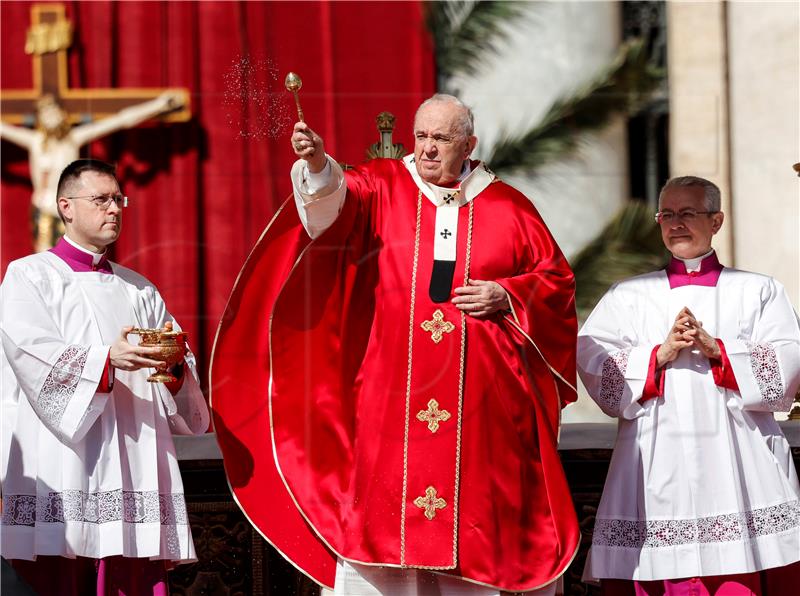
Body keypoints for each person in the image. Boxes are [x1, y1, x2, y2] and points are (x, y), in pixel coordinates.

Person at [211, 94, 580, 594]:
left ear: (469, 144)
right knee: (380, 531)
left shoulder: (508, 206)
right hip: (391, 398)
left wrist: (507, 293)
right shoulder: (382, 185)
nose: (427, 149)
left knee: (475, 544)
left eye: (442, 139)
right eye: (422, 136)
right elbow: (332, 204)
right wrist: (319, 164)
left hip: (482, 415)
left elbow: (555, 282)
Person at [577, 176, 800, 594]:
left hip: (738, 460)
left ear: (716, 220)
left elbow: (788, 361)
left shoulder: (758, 290)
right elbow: (592, 359)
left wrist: (718, 349)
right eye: (667, 215)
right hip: (656, 461)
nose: (676, 224)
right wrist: (656, 356)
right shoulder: (628, 295)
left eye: (688, 213)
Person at [0, 158, 209, 595]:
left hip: (134, 456)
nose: (114, 209)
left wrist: (171, 366)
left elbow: (179, 372)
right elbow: (31, 356)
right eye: (101, 199)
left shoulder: (140, 288)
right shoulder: (29, 276)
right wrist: (104, 361)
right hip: (66, 463)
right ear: (66, 207)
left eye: (119, 199)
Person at [0, 92, 182, 252]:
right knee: (44, 258)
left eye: (54, 111)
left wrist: (159, 105)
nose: (51, 117)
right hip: (44, 207)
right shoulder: (35, 142)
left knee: (72, 256)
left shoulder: (73, 139)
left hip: (70, 209)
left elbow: (120, 120)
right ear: (40, 118)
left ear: (62, 115)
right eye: (46, 113)